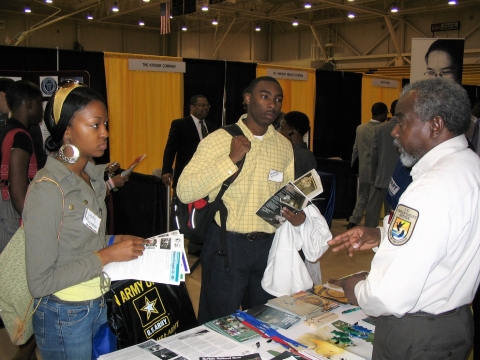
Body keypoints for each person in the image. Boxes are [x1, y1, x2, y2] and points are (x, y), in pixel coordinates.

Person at [328, 78, 480, 359]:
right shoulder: (471, 167)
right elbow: (444, 238)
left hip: (415, 334)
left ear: (434, 125)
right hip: (454, 322)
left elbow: (386, 296)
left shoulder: (429, 189)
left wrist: (358, 288)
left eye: (402, 121)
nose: (394, 132)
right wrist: (382, 235)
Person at [23, 80, 149, 359]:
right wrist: (107, 254)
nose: (105, 133)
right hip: (63, 314)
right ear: (67, 130)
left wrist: (115, 241)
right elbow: (40, 282)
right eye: (95, 125)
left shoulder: (86, 177)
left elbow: (76, 243)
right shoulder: (48, 188)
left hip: (95, 303)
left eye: (105, 123)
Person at [177, 76, 305, 324]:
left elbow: (289, 191)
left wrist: (297, 215)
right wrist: (230, 160)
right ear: (247, 99)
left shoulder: (283, 146)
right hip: (227, 246)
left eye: (278, 99)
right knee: (217, 321)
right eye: (265, 96)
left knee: (264, 318)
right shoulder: (219, 140)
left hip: (269, 247)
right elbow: (185, 190)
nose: (272, 105)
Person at [161, 95, 219, 256]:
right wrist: (167, 169)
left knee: (201, 213)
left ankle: (197, 245)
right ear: (192, 107)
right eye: (201, 105)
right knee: (181, 214)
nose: (205, 108)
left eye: (207, 105)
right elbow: (170, 149)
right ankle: (175, 248)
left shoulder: (213, 128)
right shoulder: (180, 124)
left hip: (206, 180)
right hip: (185, 178)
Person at [0, 80, 44, 253]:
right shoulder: (21, 137)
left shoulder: (5, 129)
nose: (42, 108)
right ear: (29, 103)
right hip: (9, 212)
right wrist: (35, 223)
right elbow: (18, 193)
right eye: (40, 102)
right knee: (10, 272)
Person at [346, 102, 387, 229]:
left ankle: (354, 220)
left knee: (362, 196)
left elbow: (355, 150)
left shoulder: (360, 128)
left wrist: (354, 167)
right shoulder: (383, 130)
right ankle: (370, 226)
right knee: (374, 202)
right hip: (377, 171)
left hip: (363, 169)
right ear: (382, 114)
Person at [364, 100, 399, 227]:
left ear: (391, 110)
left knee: (373, 207)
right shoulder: (408, 128)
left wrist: (373, 176)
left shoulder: (380, 129)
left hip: (381, 176)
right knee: (394, 211)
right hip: (400, 178)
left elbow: (374, 155)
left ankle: (368, 232)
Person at [278, 110, 317, 178]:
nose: (279, 133)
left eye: (282, 129)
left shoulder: (297, 157)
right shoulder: (306, 154)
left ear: (292, 133)